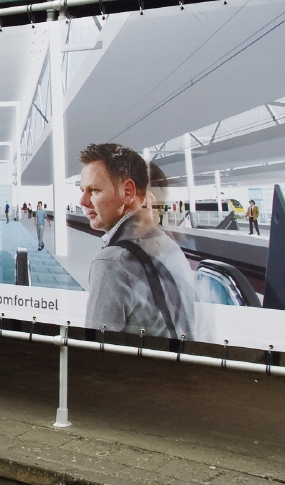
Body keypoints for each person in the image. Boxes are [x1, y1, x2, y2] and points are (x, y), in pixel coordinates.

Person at [77, 142, 197, 341]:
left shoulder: (112, 262)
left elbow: (94, 352)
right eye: (82, 190)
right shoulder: (167, 244)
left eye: (94, 190)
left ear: (128, 192)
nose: (82, 201)